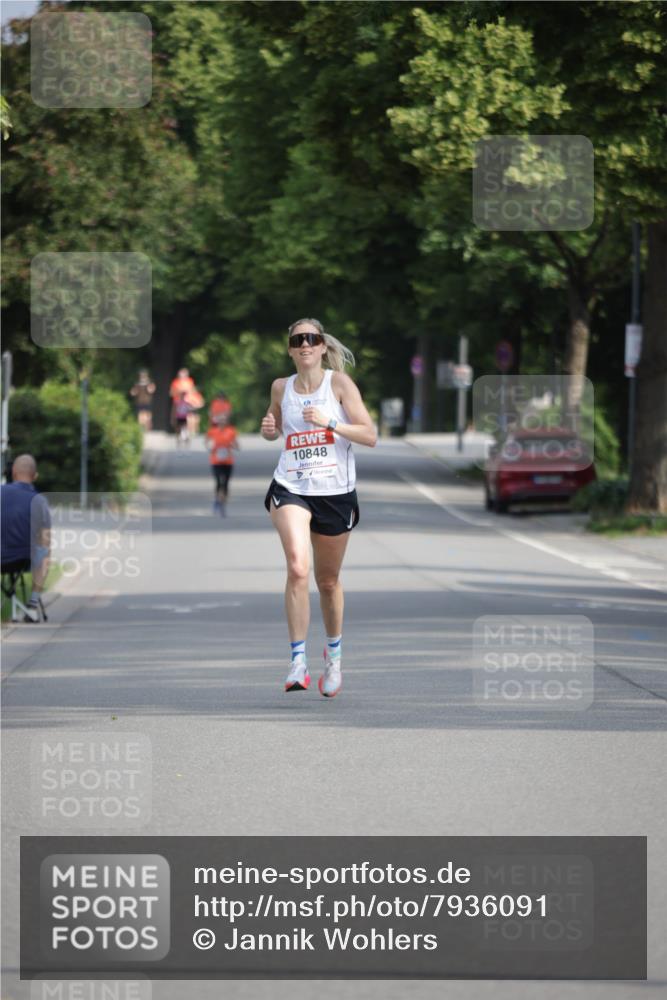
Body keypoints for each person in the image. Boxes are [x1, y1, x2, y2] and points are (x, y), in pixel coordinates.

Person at [260, 318, 377, 698]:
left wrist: (331, 423)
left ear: (323, 346)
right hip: (291, 486)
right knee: (298, 567)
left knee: (327, 582)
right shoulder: (281, 387)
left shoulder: (338, 385)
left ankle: (333, 656)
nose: (305, 345)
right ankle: (297, 661)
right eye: (298, 340)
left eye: (311, 338)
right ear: (290, 349)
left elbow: (370, 435)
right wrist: (269, 430)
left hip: (335, 492)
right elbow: (276, 426)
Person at [1, 454, 51, 622]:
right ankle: (33, 604)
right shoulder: (40, 501)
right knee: (45, 551)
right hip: (23, 560)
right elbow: (45, 540)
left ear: (13, 472)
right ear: (35, 476)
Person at [205, 412, 240, 515]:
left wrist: (233, 445)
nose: (222, 422)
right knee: (218, 481)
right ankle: (217, 500)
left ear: (227, 421)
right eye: (221, 420)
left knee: (225, 483)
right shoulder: (212, 431)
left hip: (228, 461)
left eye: (224, 420)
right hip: (216, 461)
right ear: (217, 421)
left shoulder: (231, 431)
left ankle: (223, 502)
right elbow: (207, 442)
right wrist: (210, 447)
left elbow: (237, 445)